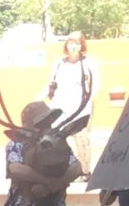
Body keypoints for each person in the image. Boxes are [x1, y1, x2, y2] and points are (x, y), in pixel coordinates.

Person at [43, 32, 100, 165]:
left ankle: (85, 171)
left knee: (82, 140)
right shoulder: (59, 63)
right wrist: (38, 99)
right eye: (71, 43)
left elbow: (96, 84)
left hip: (81, 109)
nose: (74, 47)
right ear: (66, 45)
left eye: (77, 44)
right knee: (57, 140)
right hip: (60, 108)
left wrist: (88, 103)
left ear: (82, 46)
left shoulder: (89, 63)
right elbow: (51, 84)